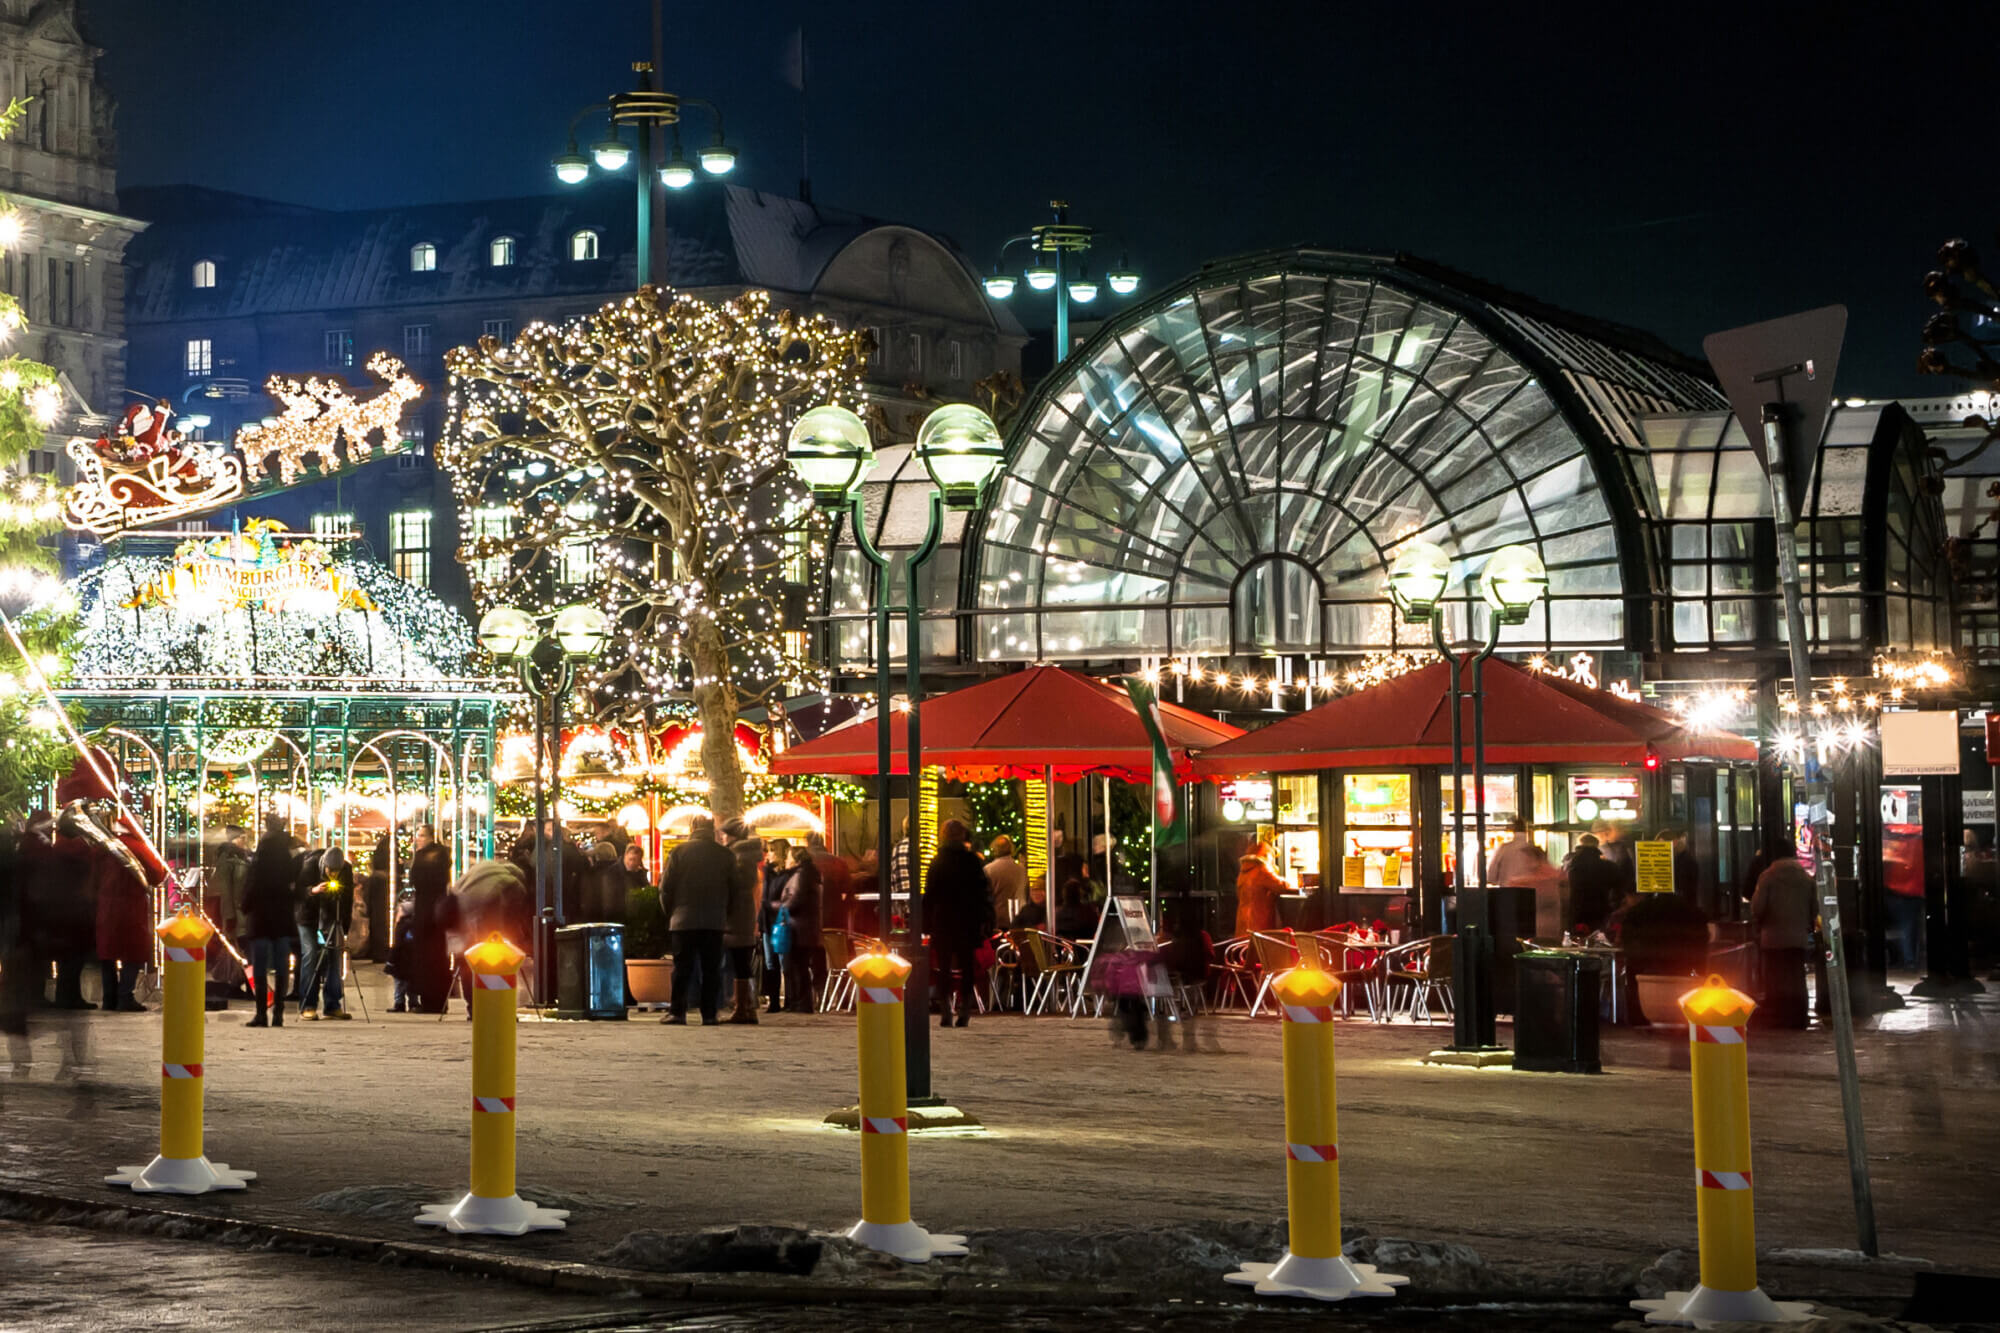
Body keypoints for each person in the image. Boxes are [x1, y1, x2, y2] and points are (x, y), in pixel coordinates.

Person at [658, 816, 739, 1026]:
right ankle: (709, 1014)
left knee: (682, 968)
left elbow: (666, 888)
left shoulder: (679, 852)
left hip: (683, 920)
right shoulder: (725, 855)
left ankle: (677, 1012)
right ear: (712, 829)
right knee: (711, 969)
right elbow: (734, 890)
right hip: (714, 920)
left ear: (692, 828)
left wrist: (671, 912)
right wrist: (725, 914)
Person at [923, 818, 990, 1028]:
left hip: (943, 920)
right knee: (967, 965)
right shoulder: (972, 861)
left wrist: (925, 923)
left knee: (943, 967)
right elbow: (982, 893)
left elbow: (929, 895)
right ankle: (965, 1011)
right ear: (963, 835)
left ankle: (945, 1011)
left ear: (943, 836)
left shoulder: (937, 861)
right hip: (967, 920)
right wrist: (984, 919)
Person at [1750, 847, 1816, 1029]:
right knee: (1796, 977)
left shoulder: (1767, 877)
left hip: (1772, 939)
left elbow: (1758, 907)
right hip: (1798, 938)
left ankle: (1779, 1016)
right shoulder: (1806, 878)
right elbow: (1815, 907)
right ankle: (1799, 1016)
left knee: (1775, 978)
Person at [243, 827, 302, 1028]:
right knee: (282, 969)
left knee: (260, 968)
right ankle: (279, 1012)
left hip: (260, 923)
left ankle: (261, 1013)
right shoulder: (287, 868)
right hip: (282, 924)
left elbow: (247, 895)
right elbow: (296, 895)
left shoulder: (258, 867)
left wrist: (246, 907)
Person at [296, 845, 353, 1020]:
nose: (333, 875)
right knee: (311, 955)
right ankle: (308, 1004)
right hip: (307, 918)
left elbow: (348, 900)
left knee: (335, 957)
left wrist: (344, 928)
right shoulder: (309, 865)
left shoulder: (346, 870)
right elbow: (297, 892)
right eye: (330, 871)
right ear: (323, 866)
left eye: (337, 872)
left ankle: (332, 1005)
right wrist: (313, 891)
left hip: (332, 918)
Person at [721, 818, 764, 1023]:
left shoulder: (739, 856)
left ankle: (742, 1007)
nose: (722, 838)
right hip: (743, 915)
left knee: (740, 962)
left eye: (725, 834)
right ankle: (744, 1006)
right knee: (741, 963)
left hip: (737, 916)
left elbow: (738, 885)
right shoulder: (744, 855)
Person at [409, 824, 454, 1014]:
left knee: (425, 958)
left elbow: (415, 880)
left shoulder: (422, 857)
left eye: (420, 835)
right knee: (439, 956)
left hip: (425, 912)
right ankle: (440, 999)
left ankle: (428, 999)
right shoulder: (444, 855)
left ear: (428, 837)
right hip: (439, 912)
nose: (417, 839)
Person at [780, 844, 825, 1013]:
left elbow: (795, 899)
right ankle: (802, 1002)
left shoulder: (801, 875)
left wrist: (777, 906)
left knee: (797, 965)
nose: (786, 860)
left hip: (799, 927)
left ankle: (802, 1003)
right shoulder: (810, 873)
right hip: (806, 927)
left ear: (796, 859)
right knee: (800, 965)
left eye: (789, 857)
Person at [759, 837, 794, 1014]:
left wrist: (768, 905)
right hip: (767, 923)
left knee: (783, 962)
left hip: (780, 923)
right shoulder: (768, 873)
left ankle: (788, 999)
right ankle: (773, 1001)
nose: (768, 854)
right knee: (770, 963)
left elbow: (777, 899)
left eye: (772, 850)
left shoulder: (786, 875)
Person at [1562, 833, 1621, 933]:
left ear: (1579, 845)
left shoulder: (1568, 864)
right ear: (1597, 845)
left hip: (1575, 911)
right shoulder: (1609, 866)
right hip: (1600, 911)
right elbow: (1618, 889)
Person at [806, 832, 851, 946]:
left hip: (811, 917)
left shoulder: (806, 862)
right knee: (834, 954)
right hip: (834, 918)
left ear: (807, 843)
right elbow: (847, 890)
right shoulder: (838, 862)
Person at [1235, 841, 1286, 937]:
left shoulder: (1243, 872)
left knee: (1244, 948)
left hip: (1243, 920)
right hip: (1259, 920)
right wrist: (1297, 881)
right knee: (1259, 948)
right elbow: (1280, 885)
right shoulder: (1262, 870)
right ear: (1267, 855)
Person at [211, 826, 250, 943]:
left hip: (237, 909)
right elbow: (225, 889)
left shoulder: (239, 856)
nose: (245, 841)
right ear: (236, 839)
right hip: (234, 911)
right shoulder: (228, 858)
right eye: (243, 838)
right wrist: (229, 916)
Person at [1485, 817, 1539, 888]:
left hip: (1507, 893)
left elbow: (1491, 876)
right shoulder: (1534, 850)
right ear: (1526, 830)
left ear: (1513, 830)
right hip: (1528, 894)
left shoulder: (1504, 848)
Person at [984, 835, 1027, 924]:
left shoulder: (988, 869)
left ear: (994, 849)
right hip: (1019, 916)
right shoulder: (1021, 869)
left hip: (997, 917)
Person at [1593, 819, 1636, 891]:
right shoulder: (1623, 846)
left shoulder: (1622, 847)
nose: (1607, 835)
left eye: (1608, 832)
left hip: (1620, 887)